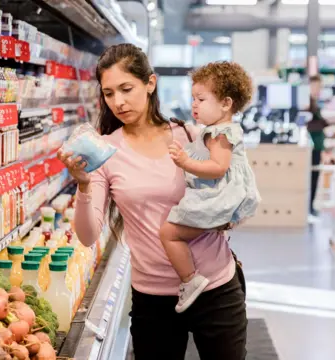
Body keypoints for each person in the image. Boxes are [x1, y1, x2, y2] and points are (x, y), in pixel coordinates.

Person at [57, 44, 249, 360]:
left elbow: (229, 188)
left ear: (150, 83)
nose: (118, 101)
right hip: (153, 299)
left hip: (215, 288)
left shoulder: (189, 134)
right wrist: (83, 184)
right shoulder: (105, 151)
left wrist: (229, 214)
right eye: (108, 93)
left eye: (126, 88)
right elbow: (89, 236)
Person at [160, 62, 260, 313]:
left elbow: (218, 167)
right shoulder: (216, 130)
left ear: (226, 103)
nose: (194, 104)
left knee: (169, 233)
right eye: (193, 98)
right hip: (226, 194)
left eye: (201, 99)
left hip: (220, 196)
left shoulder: (219, 133)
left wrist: (186, 162)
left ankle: (189, 279)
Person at [307, 75, 328, 217]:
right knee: (312, 177)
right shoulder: (307, 103)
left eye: (319, 86)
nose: (318, 89)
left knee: (315, 176)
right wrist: (324, 122)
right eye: (316, 86)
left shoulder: (314, 102)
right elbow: (309, 124)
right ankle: (309, 207)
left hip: (317, 146)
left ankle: (311, 205)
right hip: (311, 147)